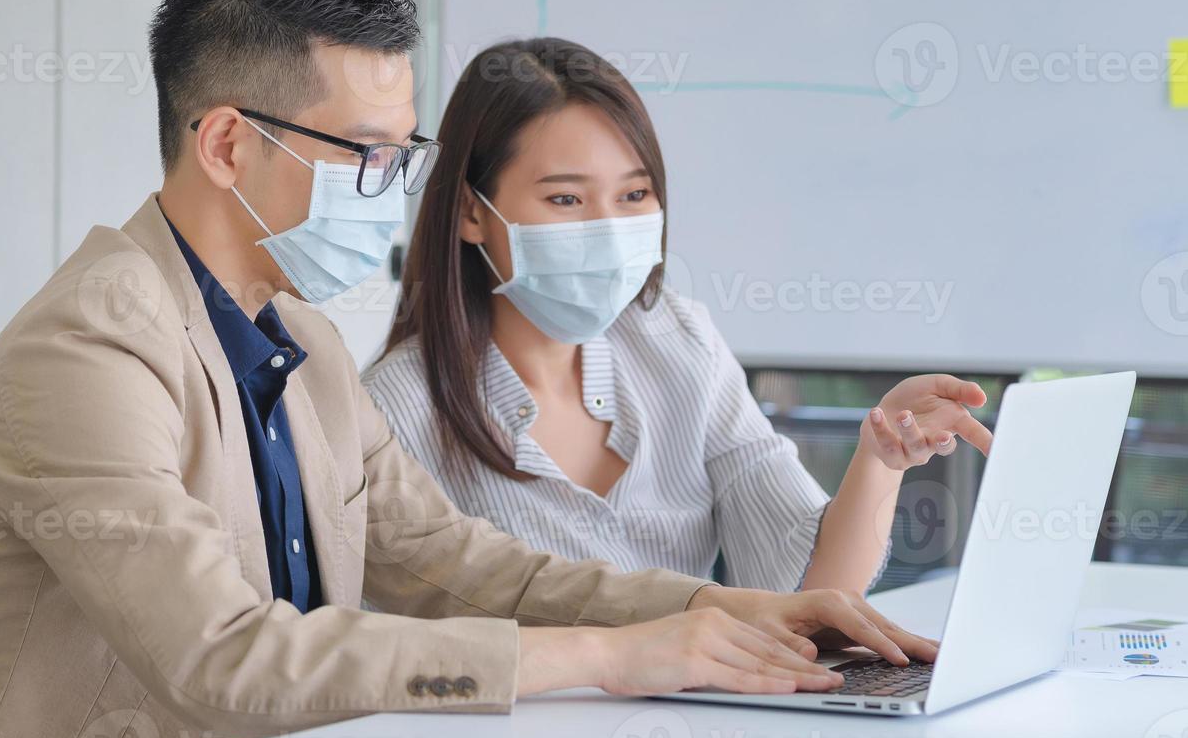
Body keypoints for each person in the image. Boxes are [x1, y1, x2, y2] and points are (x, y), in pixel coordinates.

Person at [0, 0, 938, 738]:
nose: (391, 194)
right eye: (363, 154)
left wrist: (715, 611)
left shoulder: (296, 341)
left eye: (400, 156)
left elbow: (459, 566)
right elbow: (219, 655)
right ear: (226, 143)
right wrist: (605, 656)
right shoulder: (87, 349)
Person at [363, 37, 993, 594]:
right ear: (472, 213)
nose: (609, 229)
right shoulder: (394, 409)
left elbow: (815, 590)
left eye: (634, 194)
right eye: (565, 198)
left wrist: (880, 459)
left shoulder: (678, 339)